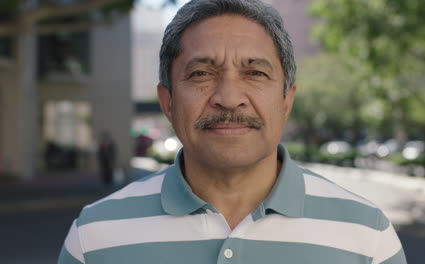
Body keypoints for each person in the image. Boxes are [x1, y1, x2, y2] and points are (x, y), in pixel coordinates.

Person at [58, 0, 407, 263]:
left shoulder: (368, 235)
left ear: (286, 100)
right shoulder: (93, 237)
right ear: (167, 101)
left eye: (255, 73)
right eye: (201, 74)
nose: (229, 99)